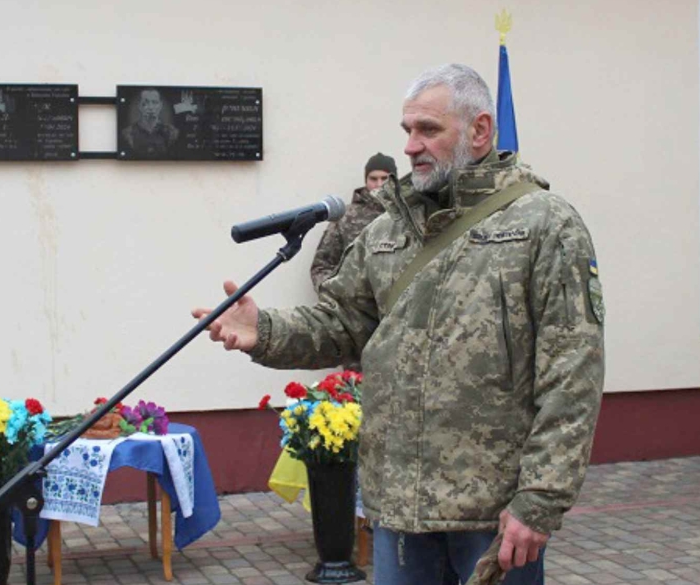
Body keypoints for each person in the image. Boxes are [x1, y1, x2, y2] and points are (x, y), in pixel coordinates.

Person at [192, 64, 604, 585]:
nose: (410, 146)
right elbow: (343, 322)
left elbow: (573, 375)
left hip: (492, 514)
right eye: (407, 130)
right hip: (399, 512)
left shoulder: (545, 224)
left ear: (479, 130)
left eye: (428, 130)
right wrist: (265, 330)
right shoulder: (388, 229)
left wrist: (540, 501)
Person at [310, 152, 398, 289]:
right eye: (373, 179)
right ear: (366, 180)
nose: (379, 184)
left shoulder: (405, 215)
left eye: (384, 178)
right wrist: (337, 295)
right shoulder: (345, 217)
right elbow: (321, 266)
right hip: (355, 304)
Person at [121, 88, 179, 156]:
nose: (150, 107)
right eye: (146, 103)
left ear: (160, 106)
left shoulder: (172, 133)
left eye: (154, 102)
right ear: (139, 106)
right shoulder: (128, 133)